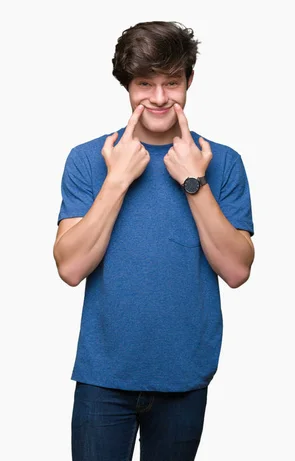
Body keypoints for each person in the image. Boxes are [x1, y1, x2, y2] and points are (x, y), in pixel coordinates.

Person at [53, 21, 255, 461]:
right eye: (146, 83)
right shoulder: (89, 159)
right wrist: (118, 179)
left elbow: (237, 270)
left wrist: (194, 182)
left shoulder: (224, 162)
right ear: (127, 85)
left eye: (172, 83)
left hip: (184, 374)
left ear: (188, 82)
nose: (160, 98)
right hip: (103, 374)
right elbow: (70, 268)